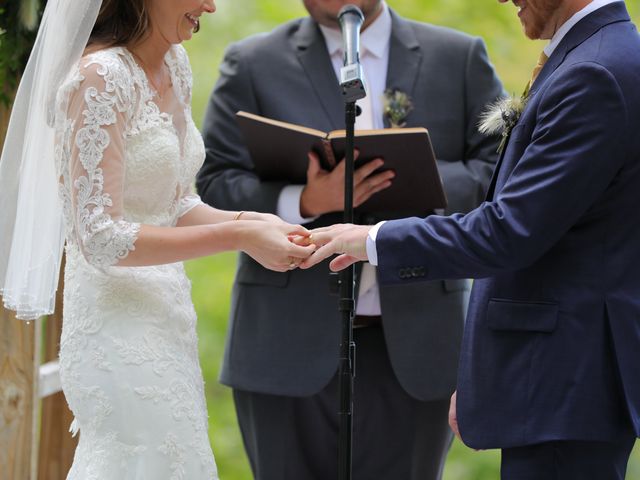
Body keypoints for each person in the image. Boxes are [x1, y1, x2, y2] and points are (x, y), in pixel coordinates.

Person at [301, 0, 640, 478]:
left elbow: (508, 231)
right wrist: (488, 370)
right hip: (554, 381)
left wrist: (372, 239)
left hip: (566, 385)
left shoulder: (596, 73)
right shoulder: (597, 54)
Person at [0, 0, 315, 478]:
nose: (210, 5)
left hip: (168, 312)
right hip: (114, 323)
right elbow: (98, 237)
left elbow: (175, 205)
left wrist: (256, 224)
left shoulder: (174, 64)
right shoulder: (100, 77)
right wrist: (238, 234)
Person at [197, 1, 504, 478]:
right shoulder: (252, 61)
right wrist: (305, 198)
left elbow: (502, 176)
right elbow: (214, 181)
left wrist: (408, 180)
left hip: (417, 343)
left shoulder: (459, 56)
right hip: (285, 343)